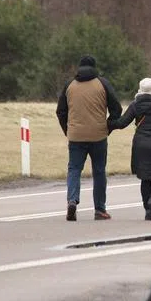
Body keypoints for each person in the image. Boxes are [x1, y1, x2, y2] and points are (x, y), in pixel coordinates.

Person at [56, 55, 122, 222]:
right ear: (94, 67)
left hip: (76, 136)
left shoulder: (70, 85)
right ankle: (100, 210)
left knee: (74, 169)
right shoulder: (103, 83)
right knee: (99, 171)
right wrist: (108, 126)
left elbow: (60, 111)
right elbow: (117, 109)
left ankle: (72, 200)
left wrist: (68, 130)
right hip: (98, 135)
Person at [108, 77, 151, 220]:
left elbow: (122, 123)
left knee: (145, 178)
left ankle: (148, 208)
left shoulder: (135, 105)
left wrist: (107, 124)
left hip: (140, 144)